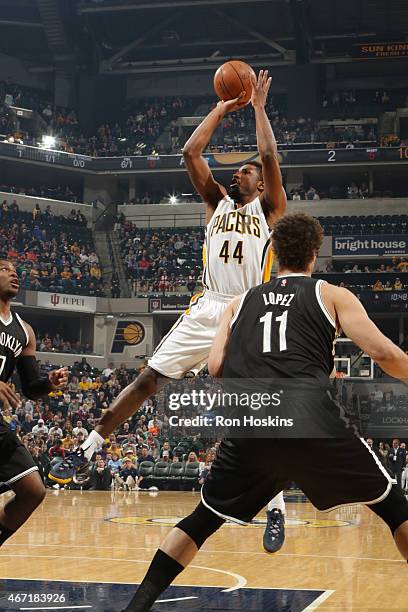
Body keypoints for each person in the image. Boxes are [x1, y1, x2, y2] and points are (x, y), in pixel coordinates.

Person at [122, 212, 408, 611]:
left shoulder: (238, 304)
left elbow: (217, 370)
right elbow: (384, 353)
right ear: (314, 253)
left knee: (203, 518)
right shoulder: (331, 294)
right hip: (308, 413)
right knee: (393, 506)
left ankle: (137, 605)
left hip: (252, 417)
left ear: (272, 253)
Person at [53, 70, 287, 550]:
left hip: (247, 312)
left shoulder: (269, 208)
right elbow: (189, 154)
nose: (237, 170)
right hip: (207, 308)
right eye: (239, 169)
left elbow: (267, 155)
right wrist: (223, 106)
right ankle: (89, 447)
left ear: (260, 183)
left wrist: (259, 107)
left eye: (245, 170)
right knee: (147, 378)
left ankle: (276, 507)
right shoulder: (216, 203)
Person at [0, 260, 67, 547]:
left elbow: (30, 388)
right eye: (4, 268)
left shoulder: (24, 331)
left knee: (33, 490)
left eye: (16, 269)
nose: (13, 272)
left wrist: (48, 384)